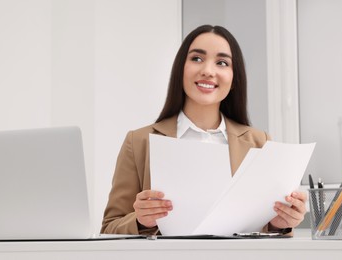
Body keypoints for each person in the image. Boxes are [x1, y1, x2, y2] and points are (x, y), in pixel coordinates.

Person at [101, 25, 307, 235]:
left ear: (234, 79)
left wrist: (280, 223)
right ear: (180, 69)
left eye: (222, 62)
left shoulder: (259, 143)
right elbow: (109, 227)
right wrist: (141, 221)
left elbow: (267, 229)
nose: (208, 71)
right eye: (197, 59)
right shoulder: (139, 142)